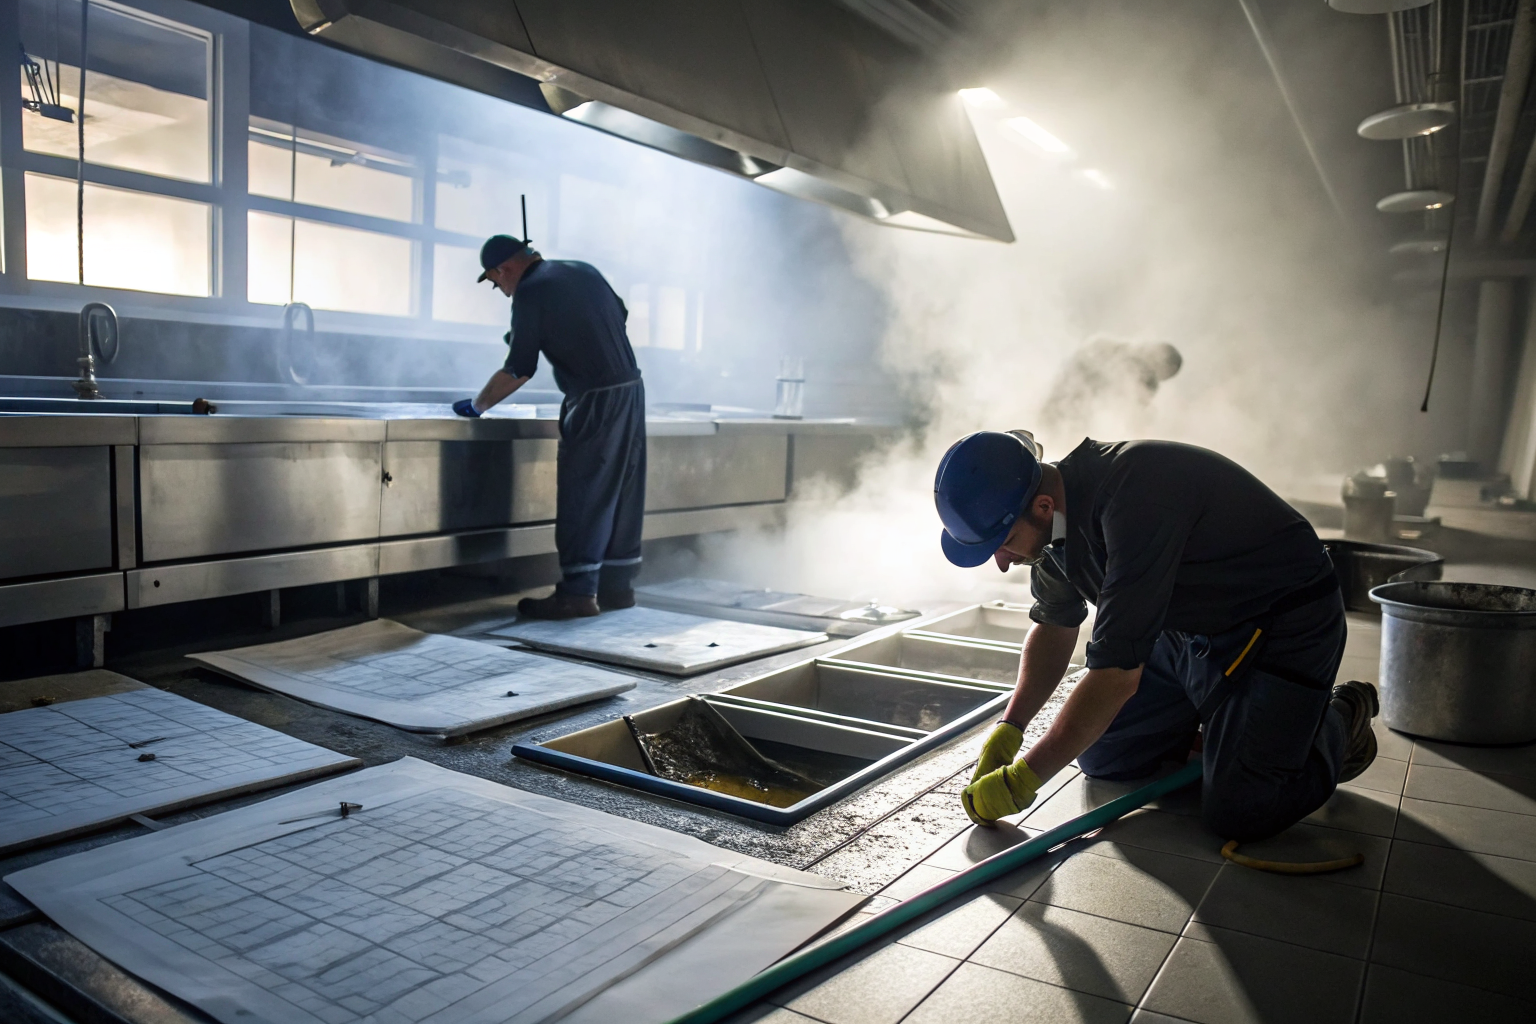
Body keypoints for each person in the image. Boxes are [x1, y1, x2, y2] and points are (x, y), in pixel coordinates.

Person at [933, 430, 1379, 842]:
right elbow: (1054, 624)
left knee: (1241, 813)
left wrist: (1024, 780)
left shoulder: (1136, 494)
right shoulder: (1055, 526)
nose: (1003, 562)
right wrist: (1011, 728)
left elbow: (1115, 677)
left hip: (1282, 626)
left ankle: (1340, 721)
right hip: (1192, 631)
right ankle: (1227, 730)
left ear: (1043, 506)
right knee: (1105, 756)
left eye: (1004, 542)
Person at [454, 234, 645, 619]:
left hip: (593, 398)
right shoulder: (582, 270)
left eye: (496, 282)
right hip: (631, 390)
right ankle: (617, 588)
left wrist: (477, 405)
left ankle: (577, 594)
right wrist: (550, 331)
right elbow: (618, 314)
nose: (502, 291)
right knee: (622, 492)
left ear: (504, 269)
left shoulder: (530, 292)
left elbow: (520, 368)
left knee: (584, 493)